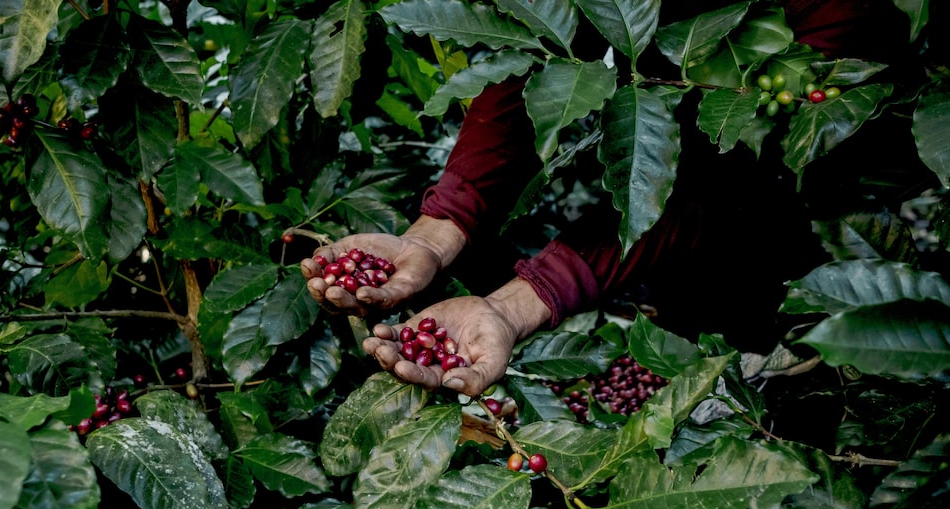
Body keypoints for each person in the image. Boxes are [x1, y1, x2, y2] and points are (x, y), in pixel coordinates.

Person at [301, 0, 916, 397]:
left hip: (809, 237)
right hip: (684, 233)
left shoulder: (836, 18)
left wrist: (522, 301)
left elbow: (719, 195)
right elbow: (527, 76)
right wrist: (434, 233)